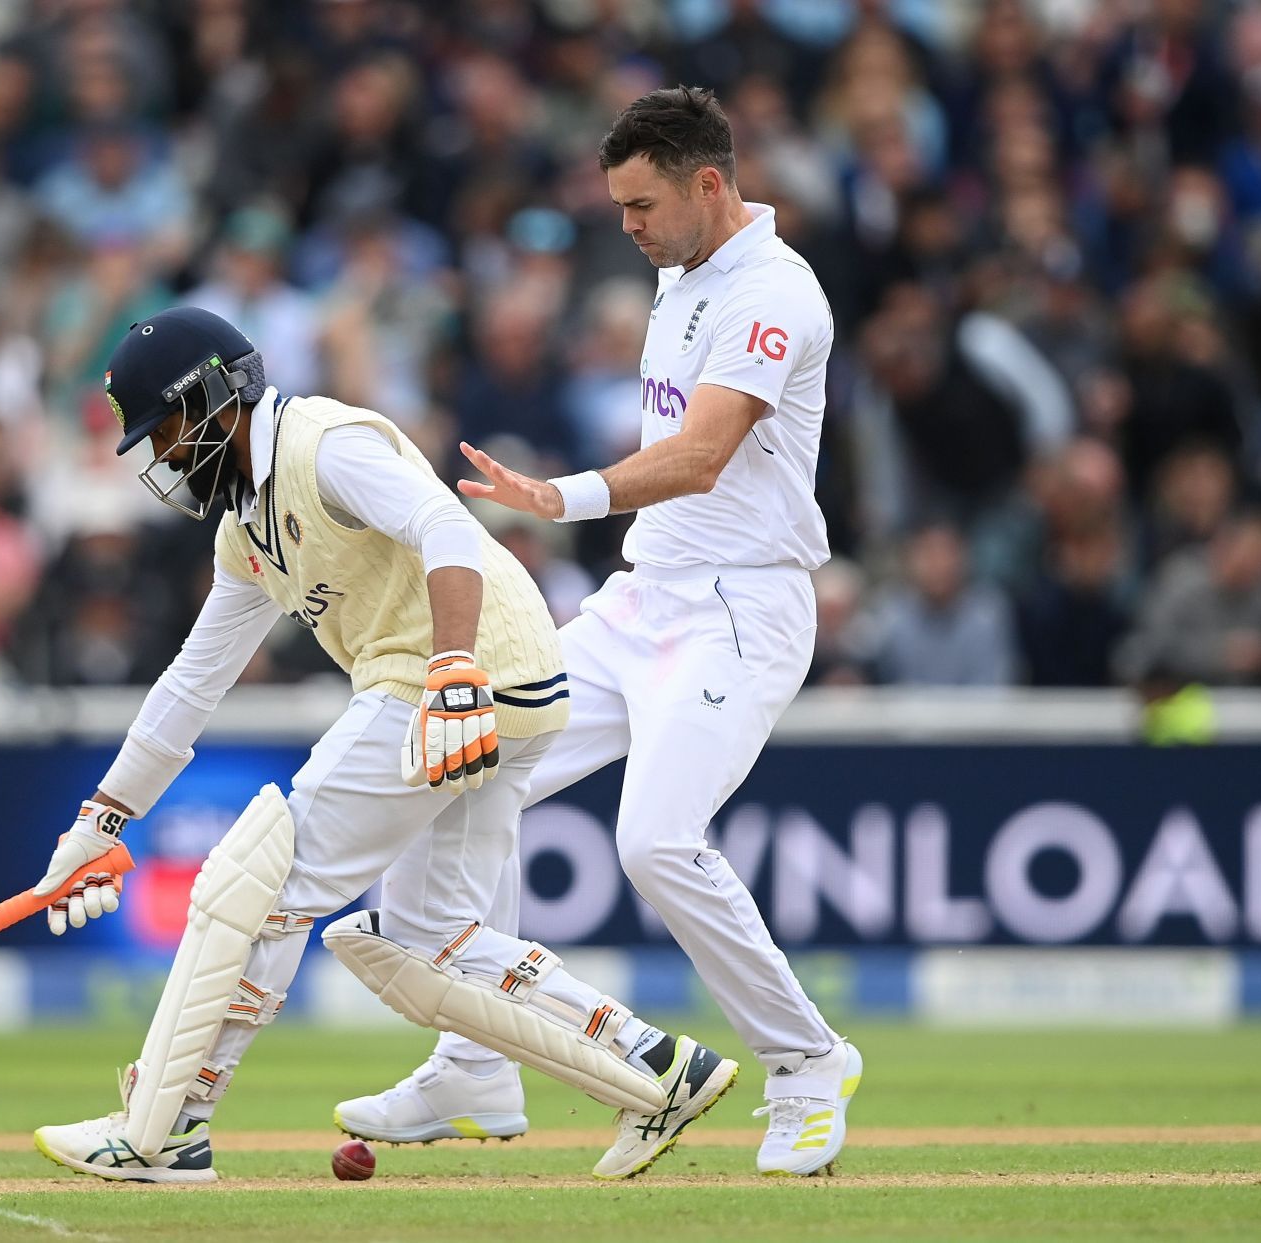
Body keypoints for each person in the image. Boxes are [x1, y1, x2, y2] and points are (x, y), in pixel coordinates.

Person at [30, 307, 738, 1184]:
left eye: (170, 429)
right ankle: (659, 1067)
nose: (168, 456)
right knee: (427, 935)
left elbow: (445, 529)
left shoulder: (321, 443)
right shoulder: (245, 529)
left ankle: (169, 1124)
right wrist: (103, 817)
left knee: (266, 883)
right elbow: (192, 681)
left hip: (449, 678)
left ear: (216, 399)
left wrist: (447, 670)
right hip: (501, 686)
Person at [336, 87, 862, 1178]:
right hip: (642, 597)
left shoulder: (776, 293)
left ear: (708, 184)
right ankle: (478, 1064)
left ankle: (808, 1064)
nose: (625, 228)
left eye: (641, 204)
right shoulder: (678, 277)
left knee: (655, 844)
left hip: (740, 610)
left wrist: (559, 497)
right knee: (472, 767)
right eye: (618, 205)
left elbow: (703, 455)